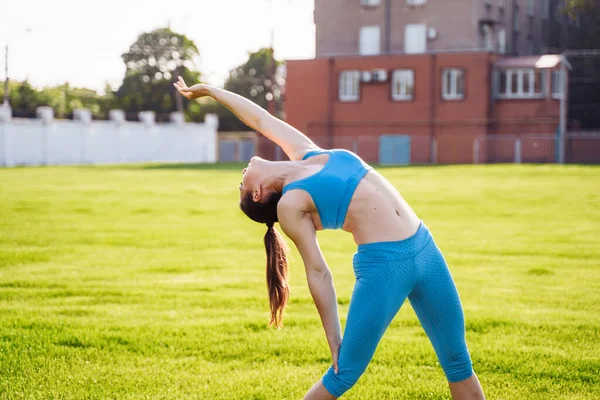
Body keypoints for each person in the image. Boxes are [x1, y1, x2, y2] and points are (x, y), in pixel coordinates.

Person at [174, 77, 486, 400]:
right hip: (386, 266)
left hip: (425, 247)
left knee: (458, 362)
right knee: (343, 374)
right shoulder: (290, 204)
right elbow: (318, 270)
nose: (240, 176)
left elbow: (261, 120)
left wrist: (211, 91)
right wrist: (334, 338)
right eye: (241, 185)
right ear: (257, 193)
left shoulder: (307, 154)